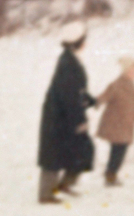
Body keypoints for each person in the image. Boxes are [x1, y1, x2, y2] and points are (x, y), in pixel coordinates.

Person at [38, 22, 96, 203]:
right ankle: (46, 194)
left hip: (63, 115)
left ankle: (64, 184)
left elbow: (75, 90)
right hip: (60, 117)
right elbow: (69, 95)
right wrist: (79, 121)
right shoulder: (68, 64)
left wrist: (89, 98)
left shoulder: (70, 58)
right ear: (78, 42)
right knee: (54, 155)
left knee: (80, 149)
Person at [95, 57, 134, 187]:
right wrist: (95, 102)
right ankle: (110, 176)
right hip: (115, 125)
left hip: (125, 126)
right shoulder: (116, 85)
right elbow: (104, 96)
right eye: (131, 71)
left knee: (119, 151)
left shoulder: (133, 87)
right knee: (118, 151)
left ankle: (110, 174)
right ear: (125, 71)